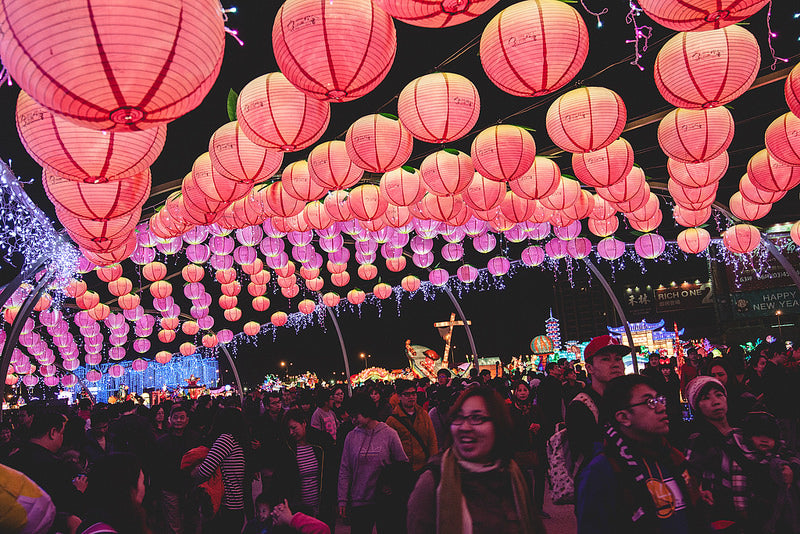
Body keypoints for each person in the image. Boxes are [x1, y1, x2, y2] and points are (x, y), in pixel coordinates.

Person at [576, 375, 706, 533]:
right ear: (624, 417)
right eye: (650, 402)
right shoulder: (601, 471)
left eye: (659, 399)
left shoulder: (672, 456)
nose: (661, 407)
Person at [407, 387, 544, 534]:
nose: (465, 427)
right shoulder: (433, 481)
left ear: (498, 424)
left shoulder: (515, 476)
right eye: (458, 418)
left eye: (477, 418)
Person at [684, 376, 749, 531]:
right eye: (706, 398)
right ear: (697, 406)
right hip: (723, 518)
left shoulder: (743, 433)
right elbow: (689, 481)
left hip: (754, 511)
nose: (715, 402)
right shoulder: (699, 440)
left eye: (719, 395)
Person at [337, 394, 408, 534]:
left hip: (385, 501)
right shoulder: (351, 437)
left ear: (366, 411)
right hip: (359, 500)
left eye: (355, 416)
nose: (353, 420)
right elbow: (345, 470)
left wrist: (392, 484)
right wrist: (342, 499)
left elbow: (403, 464)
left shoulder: (389, 434)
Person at [6, 409, 84, 533]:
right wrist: (78, 490)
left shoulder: (11, 460)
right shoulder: (56, 466)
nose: (62, 438)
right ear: (53, 433)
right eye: (62, 433)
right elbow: (65, 505)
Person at [565, 335, 628, 463]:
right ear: (589, 368)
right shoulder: (581, 407)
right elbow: (590, 457)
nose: (615, 364)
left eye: (618, 358)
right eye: (606, 359)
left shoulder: (628, 399)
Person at [273, 409, 337, 531]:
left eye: (294, 428)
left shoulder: (322, 442)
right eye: (288, 430)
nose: (291, 432)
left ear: (304, 423)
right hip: (298, 509)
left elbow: (332, 472)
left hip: (323, 505)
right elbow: (281, 479)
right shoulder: (286, 448)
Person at [739, 411, 800, 534]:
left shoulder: (781, 453)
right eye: (757, 435)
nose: (764, 440)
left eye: (769, 436)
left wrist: (792, 467)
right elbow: (739, 487)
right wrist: (742, 509)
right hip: (759, 510)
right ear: (749, 437)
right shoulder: (746, 459)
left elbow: (794, 458)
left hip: (785, 508)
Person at [192, 407, 248, 533]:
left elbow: (205, 470)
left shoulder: (226, 440)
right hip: (237, 505)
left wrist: (194, 472)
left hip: (224, 506)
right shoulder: (240, 441)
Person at [77, 453, 149, 534]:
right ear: (129, 490)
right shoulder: (101, 531)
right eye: (142, 482)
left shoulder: (94, 522)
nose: (145, 488)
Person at [155, 404, 200, 534]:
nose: (179, 421)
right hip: (170, 487)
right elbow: (157, 466)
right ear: (169, 419)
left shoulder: (195, 438)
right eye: (175, 418)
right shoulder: (162, 442)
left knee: (192, 521)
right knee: (174, 525)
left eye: (182, 417)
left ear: (187, 419)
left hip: (191, 487)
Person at [508, 380, 546, 517]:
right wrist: (526, 429)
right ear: (515, 392)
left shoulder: (535, 409)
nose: (523, 393)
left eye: (525, 390)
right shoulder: (511, 410)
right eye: (519, 390)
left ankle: (538, 507)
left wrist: (539, 428)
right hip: (519, 450)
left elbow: (544, 425)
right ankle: (528, 508)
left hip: (536, 448)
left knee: (539, 478)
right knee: (525, 480)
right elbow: (509, 431)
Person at [386, 379, 438, 474]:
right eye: (407, 394)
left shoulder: (424, 414)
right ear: (399, 397)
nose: (411, 397)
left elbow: (432, 440)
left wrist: (433, 463)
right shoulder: (392, 421)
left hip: (424, 467)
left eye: (414, 394)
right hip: (403, 471)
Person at [244, 493, 330, 534]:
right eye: (258, 511)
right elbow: (323, 529)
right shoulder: (252, 524)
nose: (260, 514)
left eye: (264, 511)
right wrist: (290, 519)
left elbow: (322, 529)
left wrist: (290, 519)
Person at [706, 359, 757, 426]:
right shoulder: (709, 398)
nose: (717, 378)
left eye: (720, 375)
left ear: (728, 375)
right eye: (713, 375)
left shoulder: (743, 397)